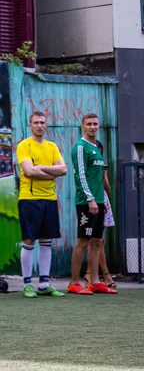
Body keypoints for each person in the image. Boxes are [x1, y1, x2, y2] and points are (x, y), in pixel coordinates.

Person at [16, 111, 67, 298]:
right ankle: (27, 284)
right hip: (29, 199)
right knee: (29, 240)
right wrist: (52, 173)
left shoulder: (52, 146)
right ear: (30, 125)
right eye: (36, 122)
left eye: (42, 122)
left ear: (46, 125)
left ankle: (44, 284)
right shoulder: (24, 146)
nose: (39, 125)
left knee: (47, 241)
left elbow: (63, 169)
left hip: (50, 200)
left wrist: (42, 169)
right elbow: (29, 172)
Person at [68, 113, 117, 295]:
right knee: (83, 240)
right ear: (83, 127)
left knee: (97, 241)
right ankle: (74, 283)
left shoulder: (96, 148)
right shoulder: (80, 148)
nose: (92, 127)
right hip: (85, 202)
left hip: (98, 201)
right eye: (89, 124)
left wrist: (101, 200)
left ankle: (95, 282)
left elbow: (97, 178)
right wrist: (90, 199)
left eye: (95, 124)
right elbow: (80, 175)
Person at [85, 140, 117, 288]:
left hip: (103, 200)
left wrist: (103, 175)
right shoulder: (86, 167)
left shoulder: (101, 167)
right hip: (91, 200)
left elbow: (108, 189)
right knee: (95, 239)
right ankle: (104, 273)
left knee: (99, 240)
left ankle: (90, 273)